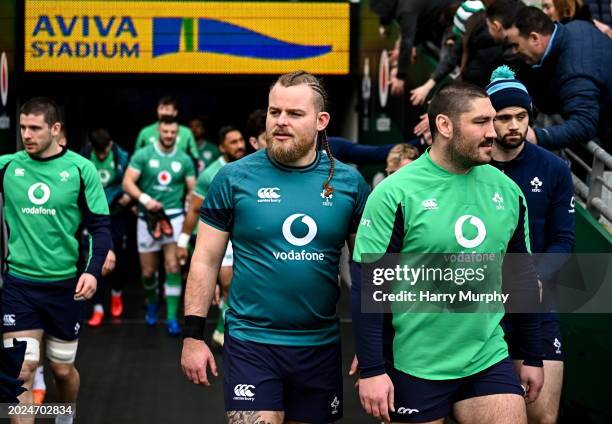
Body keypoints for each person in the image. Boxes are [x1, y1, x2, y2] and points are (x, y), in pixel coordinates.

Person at [181, 71, 370, 424]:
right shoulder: (233, 178)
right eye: (274, 112)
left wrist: (375, 345)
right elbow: (205, 259)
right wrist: (193, 336)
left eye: (294, 114)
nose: (280, 122)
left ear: (321, 120)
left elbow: (368, 269)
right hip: (251, 343)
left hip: (319, 346)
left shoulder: (349, 183)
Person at [352, 82, 544, 423]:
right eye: (481, 122)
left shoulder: (508, 192)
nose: (493, 133)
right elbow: (371, 286)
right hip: (415, 364)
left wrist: (531, 355)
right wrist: (372, 369)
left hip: (487, 357)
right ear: (444, 125)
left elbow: (522, 279)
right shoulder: (395, 193)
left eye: (493, 121)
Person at [0, 97, 111, 423]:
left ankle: (64, 415)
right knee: (22, 368)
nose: (27, 135)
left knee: (62, 371)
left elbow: (100, 228)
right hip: (20, 286)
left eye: (35, 128)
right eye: (22, 127)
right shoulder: (8, 165)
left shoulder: (80, 169)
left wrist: (92, 272)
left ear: (56, 129)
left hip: (65, 288)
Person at [486, 65, 575, 424]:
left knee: (541, 416)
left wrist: (533, 278)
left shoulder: (554, 168)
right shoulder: (471, 167)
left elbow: (563, 239)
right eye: (503, 117)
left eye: (521, 116)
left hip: (537, 306)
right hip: (479, 310)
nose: (513, 125)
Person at [122, 115, 196, 336]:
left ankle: (172, 317)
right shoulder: (144, 154)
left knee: (173, 267)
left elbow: (192, 187)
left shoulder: (184, 159)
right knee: (148, 272)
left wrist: (189, 199)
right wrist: (145, 200)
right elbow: (127, 182)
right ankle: (152, 303)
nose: (169, 136)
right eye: (165, 132)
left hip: (173, 217)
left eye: (173, 132)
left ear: (178, 134)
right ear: (158, 132)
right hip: (147, 218)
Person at [506, 6, 612, 151]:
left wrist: (537, 137)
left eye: (516, 45)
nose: (514, 51)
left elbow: (584, 123)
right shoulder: (576, 27)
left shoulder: (575, 72)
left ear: (534, 38)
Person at [177, 125, 246, 347]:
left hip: (246, 235)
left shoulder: (250, 168)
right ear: (221, 147)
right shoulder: (209, 174)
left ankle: (223, 329)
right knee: (229, 285)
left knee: (240, 286)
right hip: (222, 236)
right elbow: (195, 209)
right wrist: (183, 241)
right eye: (233, 142)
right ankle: (222, 330)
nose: (240, 145)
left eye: (241, 140)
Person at [80, 128, 131, 326]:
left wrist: (129, 197)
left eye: (104, 150)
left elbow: (133, 180)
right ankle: (98, 307)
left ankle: (117, 294)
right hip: (93, 214)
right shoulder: (85, 156)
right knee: (94, 257)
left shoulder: (122, 156)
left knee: (118, 258)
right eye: (98, 151)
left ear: (110, 144)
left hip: (116, 213)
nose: (101, 155)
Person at [135, 95, 200, 159]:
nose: (163, 112)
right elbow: (136, 158)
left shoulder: (186, 132)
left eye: (167, 109)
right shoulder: (145, 132)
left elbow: (195, 157)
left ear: (175, 112)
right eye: (161, 108)